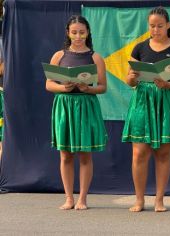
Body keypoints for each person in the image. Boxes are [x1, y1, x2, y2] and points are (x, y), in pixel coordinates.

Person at [122, 6, 170, 212]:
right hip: (143, 101)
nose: (155, 30)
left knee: (163, 153)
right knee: (139, 152)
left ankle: (159, 199)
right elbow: (129, 80)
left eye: (160, 26)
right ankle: (139, 199)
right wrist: (132, 78)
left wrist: (169, 84)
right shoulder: (140, 48)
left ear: (168, 25)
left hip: (167, 100)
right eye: (152, 26)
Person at [45, 15, 107, 210]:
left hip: (86, 105)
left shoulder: (95, 57)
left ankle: (82, 199)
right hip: (64, 106)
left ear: (88, 33)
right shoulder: (58, 56)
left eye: (82, 32)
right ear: (68, 33)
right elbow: (48, 84)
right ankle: (69, 198)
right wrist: (65, 88)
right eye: (74, 32)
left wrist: (88, 88)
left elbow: (103, 87)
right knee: (65, 155)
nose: (78, 36)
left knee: (85, 155)